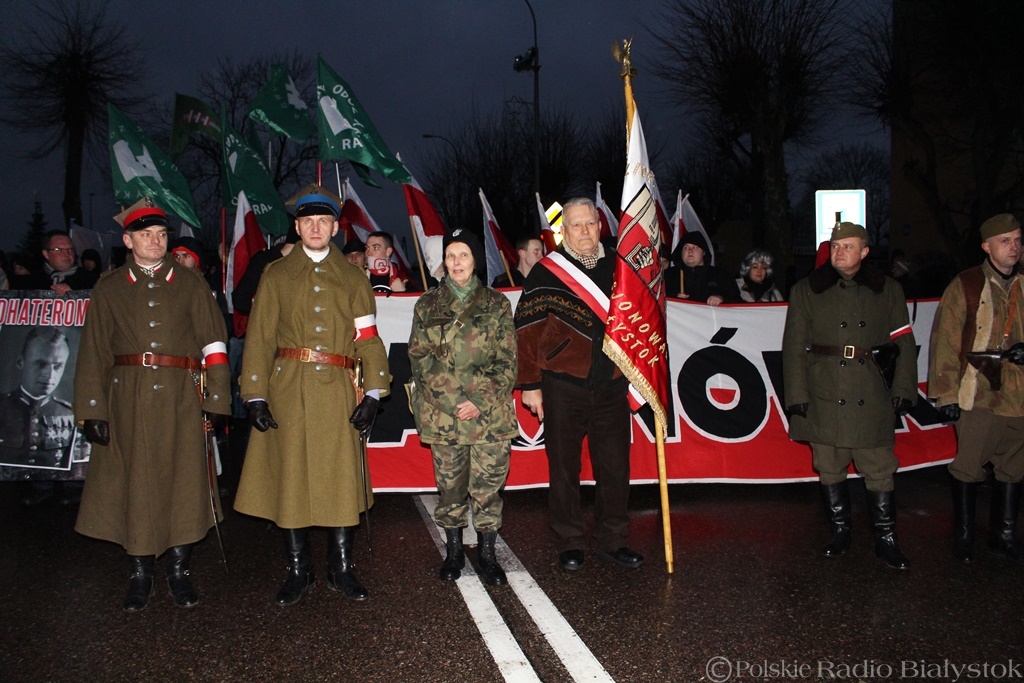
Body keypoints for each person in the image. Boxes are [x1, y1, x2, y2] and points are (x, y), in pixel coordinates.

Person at [234, 184, 390, 607]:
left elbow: (369, 339)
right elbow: (260, 337)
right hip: (289, 389)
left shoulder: (353, 277)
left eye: (323, 221)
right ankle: (298, 571)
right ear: (298, 227)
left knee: (340, 481)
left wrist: (374, 391)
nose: (316, 228)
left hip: (339, 390)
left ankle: (341, 569)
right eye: (308, 221)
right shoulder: (276, 275)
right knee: (292, 479)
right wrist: (255, 394)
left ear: (335, 228)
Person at [73, 197, 232, 611]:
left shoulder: (190, 282)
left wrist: (216, 397)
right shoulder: (108, 288)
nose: (156, 242)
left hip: (182, 396)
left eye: (161, 235)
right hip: (129, 397)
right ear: (128, 240)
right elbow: (93, 353)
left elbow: (214, 345)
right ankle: (140, 573)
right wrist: (92, 410)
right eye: (146, 235)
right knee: (135, 483)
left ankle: (179, 571)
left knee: (184, 481)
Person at [515, 197, 644, 572]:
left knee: (615, 467)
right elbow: (526, 331)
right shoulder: (546, 271)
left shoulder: (622, 268)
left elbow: (641, 320)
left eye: (590, 223)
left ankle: (613, 540)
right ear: (563, 230)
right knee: (564, 468)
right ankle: (570, 541)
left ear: (600, 225)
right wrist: (530, 384)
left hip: (612, 384)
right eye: (575, 225)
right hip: (562, 383)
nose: (584, 231)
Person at [782, 221, 917, 569]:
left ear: (865, 251)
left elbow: (904, 342)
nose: (840, 252)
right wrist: (797, 396)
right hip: (824, 391)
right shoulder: (806, 290)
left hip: (871, 391)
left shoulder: (886, 289)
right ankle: (840, 532)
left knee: (880, 468)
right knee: (829, 466)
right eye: (836, 246)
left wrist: (904, 388)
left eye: (848, 246)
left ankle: (886, 539)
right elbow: (794, 347)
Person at [408, 228, 518, 585]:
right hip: (446, 417)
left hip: (488, 417)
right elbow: (420, 360)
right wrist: (457, 402)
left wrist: (479, 402)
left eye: (464, 255)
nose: (456, 262)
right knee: (451, 489)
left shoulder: (496, 304)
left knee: (488, 489)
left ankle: (487, 555)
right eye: (451, 256)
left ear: (475, 261)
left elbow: (508, 361)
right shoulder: (427, 305)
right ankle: (454, 553)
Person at [928, 213, 1024, 564]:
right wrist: (947, 394)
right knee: (968, 466)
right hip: (979, 391)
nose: (1013, 247)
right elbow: (945, 340)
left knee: (1014, 468)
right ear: (986, 246)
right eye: (1005, 240)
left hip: (1020, 395)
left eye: (1017, 239)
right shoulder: (967, 284)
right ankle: (965, 534)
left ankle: (1004, 535)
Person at [0, 328, 75, 468]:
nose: (49, 375)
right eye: (41, 364)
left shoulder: (69, 414)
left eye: (58, 366)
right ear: (21, 362)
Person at [665, 232, 740, 304]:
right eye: (685, 247)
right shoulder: (668, 276)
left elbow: (737, 300)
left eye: (695, 247)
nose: (690, 251)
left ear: (704, 252)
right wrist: (673, 298)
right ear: (681, 253)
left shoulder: (720, 275)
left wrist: (722, 298)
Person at [30, 231, 99, 292]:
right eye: (58, 250)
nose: (66, 254)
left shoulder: (91, 280)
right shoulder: (31, 282)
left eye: (70, 249)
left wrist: (74, 295)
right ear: (46, 254)